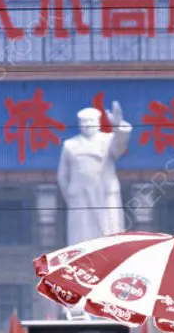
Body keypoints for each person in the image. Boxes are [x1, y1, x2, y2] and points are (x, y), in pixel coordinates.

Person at [56, 101, 132, 244]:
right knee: (81, 239)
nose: (88, 124)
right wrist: (72, 197)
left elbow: (120, 146)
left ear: (98, 123)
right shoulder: (70, 145)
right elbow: (63, 176)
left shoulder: (108, 140)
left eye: (91, 121)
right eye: (84, 121)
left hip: (104, 195)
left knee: (108, 237)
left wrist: (118, 125)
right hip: (81, 198)